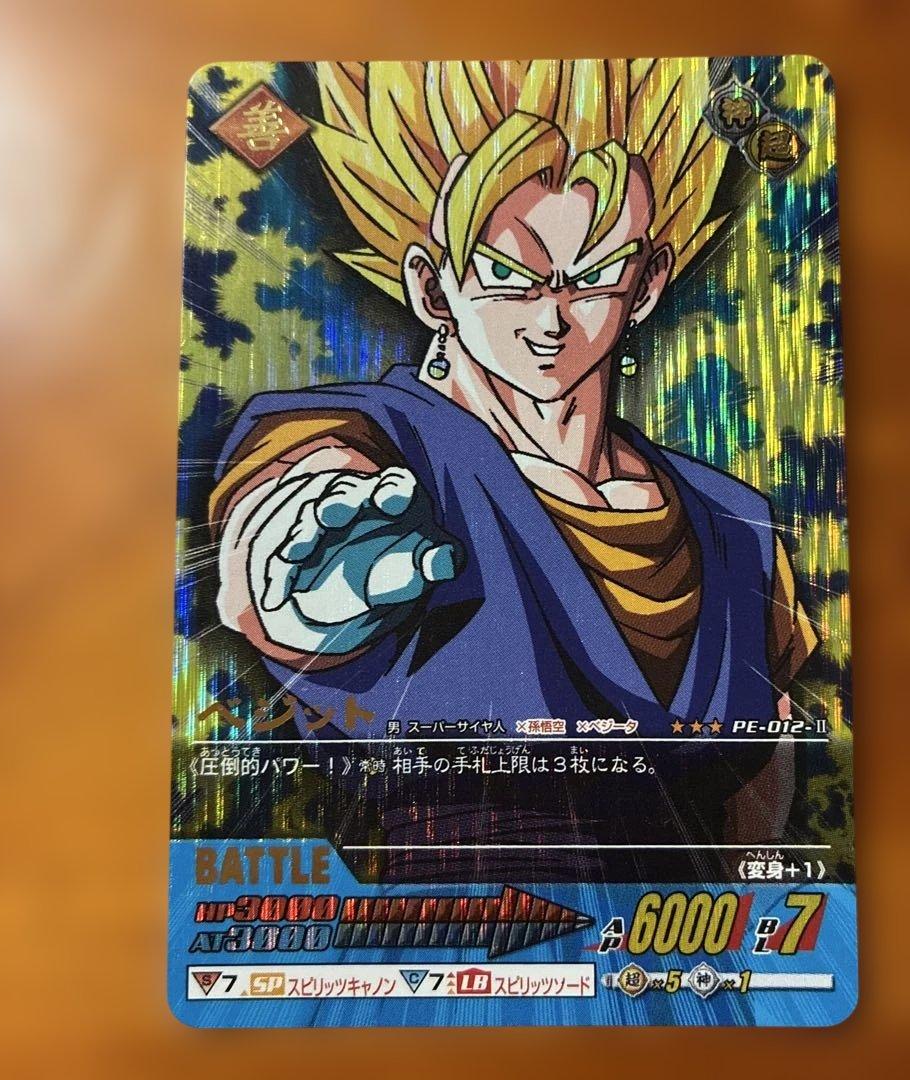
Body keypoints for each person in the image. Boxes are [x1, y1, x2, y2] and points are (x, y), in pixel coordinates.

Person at [210, 60, 817, 881]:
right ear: (433, 287)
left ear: (647, 282)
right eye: (507, 275)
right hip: (451, 936)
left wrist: (751, 920)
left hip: (679, 941)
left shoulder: (731, 520)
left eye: (594, 276)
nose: (551, 317)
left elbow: (760, 774)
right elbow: (301, 483)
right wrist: (295, 570)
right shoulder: (390, 444)